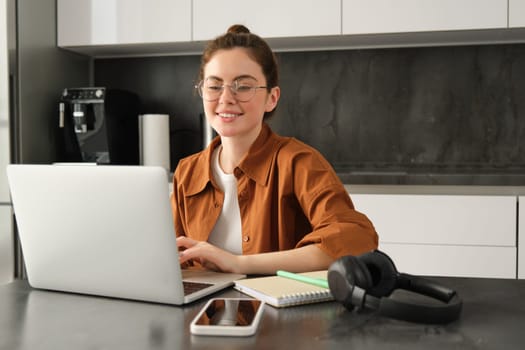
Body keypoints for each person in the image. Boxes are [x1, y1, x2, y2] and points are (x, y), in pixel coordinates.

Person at [171, 24, 378, 275]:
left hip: (276, 314)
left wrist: (237, 263)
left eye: (243, 86)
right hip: (202, 314)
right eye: (214, 86)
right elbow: (166, 256)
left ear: (272, 98)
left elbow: (355, 237)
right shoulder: (187, 171)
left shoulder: (299, 162)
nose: (225, 98)